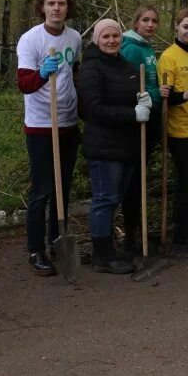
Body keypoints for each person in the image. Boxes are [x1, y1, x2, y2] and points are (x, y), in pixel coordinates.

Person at [15, 0, 83, 276]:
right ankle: (35, 250)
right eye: (51, 3)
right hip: (42, 125)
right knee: (42, 191)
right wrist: (43, 74)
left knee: (62, 189)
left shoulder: (75, 37)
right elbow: (24, 84)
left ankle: (58, 241)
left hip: (68, 122)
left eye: (62, 4)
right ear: (42, 7)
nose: (57, 8)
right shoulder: (31, 40)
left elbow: (75, 73)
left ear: (68, 8)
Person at [77, 19, 145, 274]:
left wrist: (143, 100)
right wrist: (132, 114)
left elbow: (130, 94)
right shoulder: (91, 68)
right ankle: (102, 255)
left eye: (115, 35)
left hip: (126, 144)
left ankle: (108, 247)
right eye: (105, 36)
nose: (111, 40)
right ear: (96, 39)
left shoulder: (125, 65)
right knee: (105, 199)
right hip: (104, 145)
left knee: (114, 198)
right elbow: (92, 109)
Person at [119, 6, 169, 253]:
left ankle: (138, 229)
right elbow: (127, 85)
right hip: (137, 121)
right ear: (136, 22)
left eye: (154, 21)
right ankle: (131, 234)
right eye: (145, 20)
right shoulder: (130, 47)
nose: (150, 25)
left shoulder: (147, 47)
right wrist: (145, 99)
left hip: (151, 117)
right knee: (133, 179)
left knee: (141, 177)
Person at [156, 7, 188, 249]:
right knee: (187, 182)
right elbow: (166, 96)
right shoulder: (169, 56)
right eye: (186, 26)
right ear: (177, 27)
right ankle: (181, 233)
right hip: (180, 130)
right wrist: (184, 95)